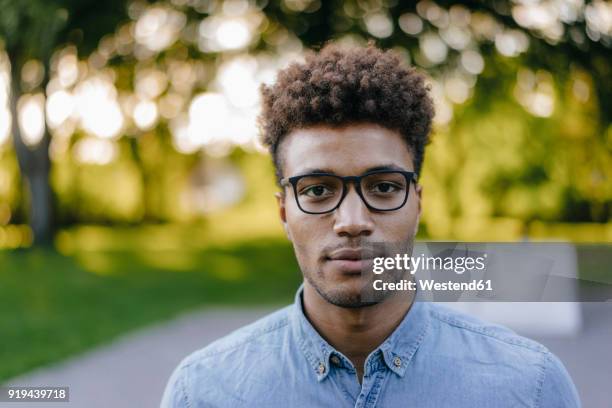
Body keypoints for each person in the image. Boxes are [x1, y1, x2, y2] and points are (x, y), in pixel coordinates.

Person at [161, 43, 580, 407]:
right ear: (284, 212)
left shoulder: (531, 387)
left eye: (382, 187)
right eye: (318, 190)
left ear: (417, 202)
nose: (353, 222)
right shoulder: (202, 393)